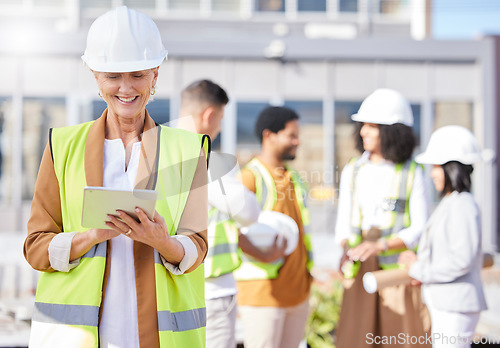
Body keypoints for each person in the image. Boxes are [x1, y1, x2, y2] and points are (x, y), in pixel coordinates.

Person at [23, 7, 209, 348]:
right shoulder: (62, 147)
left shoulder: (188, 149)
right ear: (96, 77)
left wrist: (161, 241)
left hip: (157, 337)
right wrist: (91, 236)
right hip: (78, 338)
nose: (125, 88)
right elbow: (36, 248)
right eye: (112, 76)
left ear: (155, 75)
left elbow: (198, 245)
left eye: (137, 75)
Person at [334, 88, 431, 347]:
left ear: (392, 131)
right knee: (356, 338)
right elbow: (344, 223)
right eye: (362, 125)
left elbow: (420, 227)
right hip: (359, 269)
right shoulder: (353, 170)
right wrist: (347, 249)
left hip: (397, 271)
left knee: (402, 337)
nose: (362, 131)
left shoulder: (413, 171)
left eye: (371, 126)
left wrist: (381, 246)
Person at [176, 79, 260, 348]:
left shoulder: (155, 152)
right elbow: (248, 211)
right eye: (221, 119)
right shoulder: (202, 157)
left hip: (171, 287)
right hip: (211, 289)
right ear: (209, 115)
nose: (220, 127)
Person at [399, 125, 490, 348]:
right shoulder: (453, 203)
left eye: (436, 167)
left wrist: (417, 269)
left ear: (451, 168)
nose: (432, 173)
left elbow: (461, 260)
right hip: (449, 304)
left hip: (456, 306)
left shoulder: (462, 205)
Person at [235, 106, 313, 348]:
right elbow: (230, 229)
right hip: (263, 295)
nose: (297, 141)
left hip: (297, 292)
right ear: (269, 135)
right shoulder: (249, 177)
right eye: (291, 135)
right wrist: (263, 254)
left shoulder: (294, 178)